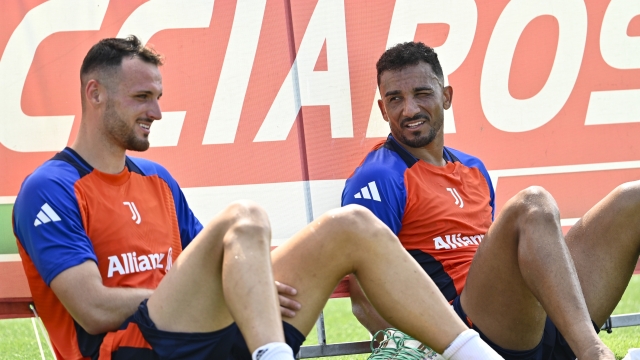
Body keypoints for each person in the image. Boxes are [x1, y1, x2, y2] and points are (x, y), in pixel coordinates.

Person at [12, 36, 504, 360]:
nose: (157, 111)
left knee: (350, 223)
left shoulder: (158, 180)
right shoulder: (49, 188)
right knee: (244, 216)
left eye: (158, 96)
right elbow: (93, 309)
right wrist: (237, 290)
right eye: (142, 98)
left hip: (205, 334)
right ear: (95, 94)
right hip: (133, 349)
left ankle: (476, 355)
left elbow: (219, 264)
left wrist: (246, 284)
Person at [342, 41, 640, 360]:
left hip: (525, 321)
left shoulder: (473, 168)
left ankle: (574, 347)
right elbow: (363, 297)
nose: (409, 109)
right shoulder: (377, 177)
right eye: (395, 99)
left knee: (633, 200)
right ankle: (594, 353)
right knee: (532, 205)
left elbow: (497, 260)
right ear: (382, 109)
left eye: (421, 94)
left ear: (446, 96)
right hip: (465, 336)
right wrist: (425, 349)